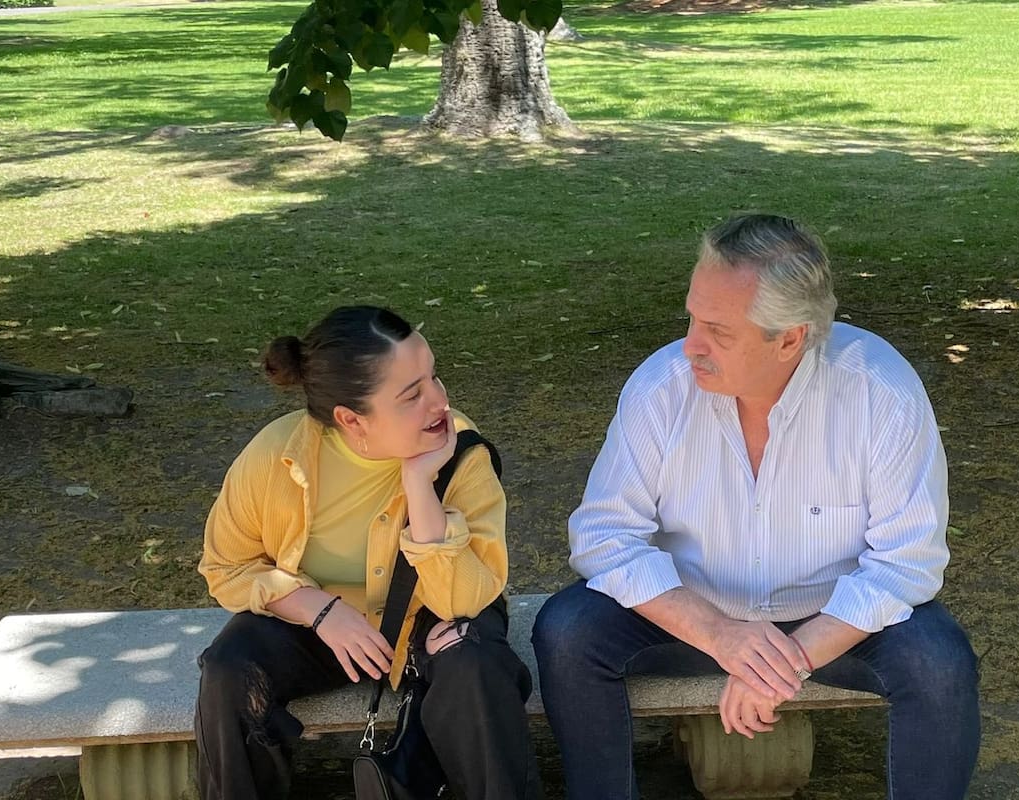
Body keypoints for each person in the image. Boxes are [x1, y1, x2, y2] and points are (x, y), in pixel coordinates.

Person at [532, 214, 979, 800]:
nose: (690, 345)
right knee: (567, 632)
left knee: (939, 662)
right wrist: (720, 635)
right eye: (692, 317)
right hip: (690, 613)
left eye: (717, 330)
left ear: (790, 338)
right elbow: (604, 537)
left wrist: (783, 662)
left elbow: (906, 563)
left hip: (832, 620)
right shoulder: (662, 387)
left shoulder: (881, 392)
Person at [194, 305, 541, 800]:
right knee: (230, 670)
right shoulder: (275, 456)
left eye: (434, 376)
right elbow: (227, 566)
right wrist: (319, 610)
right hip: (321, 623)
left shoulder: (460, 453)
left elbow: (466, 599)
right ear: (350, 419)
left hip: (429, 615)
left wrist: (420, 485)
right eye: (412, 394)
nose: (439, 401)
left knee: (476, 666)